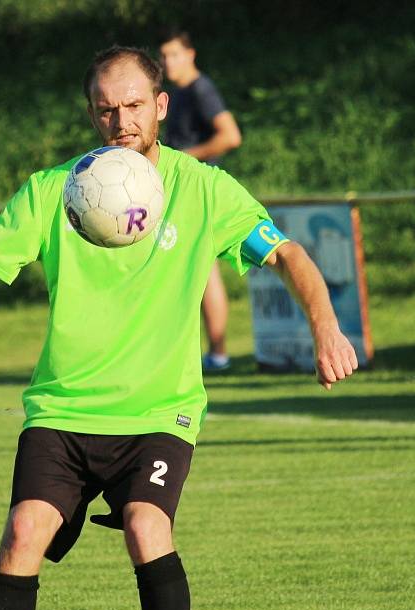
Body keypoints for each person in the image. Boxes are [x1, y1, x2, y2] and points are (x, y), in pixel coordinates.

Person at [0, 45, 358, 610]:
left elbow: (288, 255)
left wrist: (327, 327)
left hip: (160, 410)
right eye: (104, 107)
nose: (119, 120)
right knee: (23, 534)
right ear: (90, 111)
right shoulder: (58, 189)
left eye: (132, 105)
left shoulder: (205, 189)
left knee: (146, 526)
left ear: (161, 106)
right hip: (63, 408)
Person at [159, 29, 242, 372]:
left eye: (174, 55)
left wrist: (184, 158)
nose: (167, 62)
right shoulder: (176, 93)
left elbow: (230, 135)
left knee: (205, 271)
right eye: (163, 56)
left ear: (191, 54)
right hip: (176, 190)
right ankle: (196, 353)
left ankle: (219, 354)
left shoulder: (200, 89)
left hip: (197, 190)